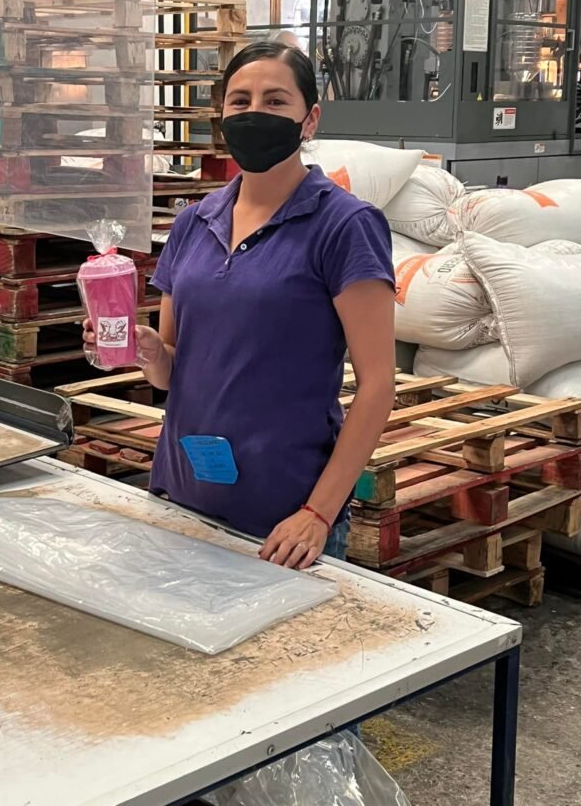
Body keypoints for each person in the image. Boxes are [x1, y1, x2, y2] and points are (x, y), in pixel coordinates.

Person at [84, 41, 396, 567]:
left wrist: (318, 514)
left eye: (275, 101)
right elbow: (171, 373)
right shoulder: (194, 223)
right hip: (182, 494)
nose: (255, 113)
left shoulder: (344, 226)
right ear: (223, 114)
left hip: (285, 520)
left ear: (310, 119)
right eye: (240, 101)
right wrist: (149, 352)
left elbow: (378, 386)